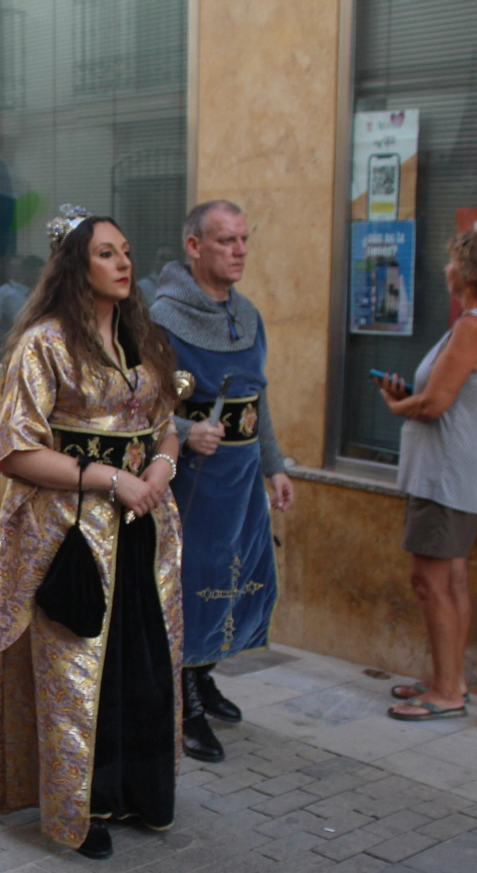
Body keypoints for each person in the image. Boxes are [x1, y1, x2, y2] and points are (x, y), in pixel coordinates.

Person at [0, 206, 186, 862]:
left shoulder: (144, 339)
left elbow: (166, 424)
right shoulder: (45, 343)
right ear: (76, 264)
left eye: (126, 251)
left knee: (140, 662)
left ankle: (136, 790)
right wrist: (107, 479)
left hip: (144, 530)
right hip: (72, 535)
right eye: (106, 253)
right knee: (76, 667)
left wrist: (159, 465)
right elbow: (14, 450)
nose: (124, 263)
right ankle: (79, 801)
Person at [151, 200, 293, 763]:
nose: (239, 251)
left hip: (240, 479)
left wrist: (274, 466)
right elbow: (139, 404)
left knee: (236, 580)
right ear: (194, 246)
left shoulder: (248, 313)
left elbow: (257, 399)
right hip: (193, 479)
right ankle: (182, 698)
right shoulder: (161, 317)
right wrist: (184, 430)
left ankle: (204, 674)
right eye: (226, 241)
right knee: (191, 584)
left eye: (243, 240)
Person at [378, 231, 477, 721]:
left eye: (452, 262)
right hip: (461, 473)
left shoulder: (473, 327)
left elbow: (436, 404)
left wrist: (398, 405)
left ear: (468, 272)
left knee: (429, 581)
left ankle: (445, 695)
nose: (446, 270)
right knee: (452, 579)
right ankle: (449, 678)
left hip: (444, 476)